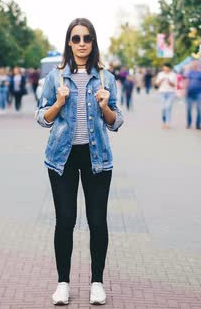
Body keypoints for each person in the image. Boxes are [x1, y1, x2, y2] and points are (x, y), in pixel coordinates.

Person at [35, 17, 124, 306]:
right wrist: (58, 103)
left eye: (87, 38)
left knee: (98, 221)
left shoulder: (106, 77)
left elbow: (116, 121)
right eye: (76, 38)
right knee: (65, 221)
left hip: (97, 158)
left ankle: (97, 282)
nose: (82, 43)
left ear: (93, 42)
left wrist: (104, 105)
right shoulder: (55, 77)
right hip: (63, 158)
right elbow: (41, 117)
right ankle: (63, 284)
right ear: (69, 42)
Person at [184, 60, 201, 130]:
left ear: (198, 65)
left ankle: (198, 124)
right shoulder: (189, 73)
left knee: (199, 109)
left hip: (199, 93)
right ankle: (189, 123)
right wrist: (185, 91)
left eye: (196, 64)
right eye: (193, 64)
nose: (195, 65)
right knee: (189, 109)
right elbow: (187, 82)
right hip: (189, 93)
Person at [156, 63, 177, 129]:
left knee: (168, 107)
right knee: (163, 108)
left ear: (169, 68)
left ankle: (167, 123)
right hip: (162, 93)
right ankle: (164, 122)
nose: (165, 69)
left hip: (170, 93)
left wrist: (169, 81)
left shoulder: (173, 75)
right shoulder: (160, 74)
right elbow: (157, 84)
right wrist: (161, 80)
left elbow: (174, 85)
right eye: (164, 67)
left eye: (167, 67)